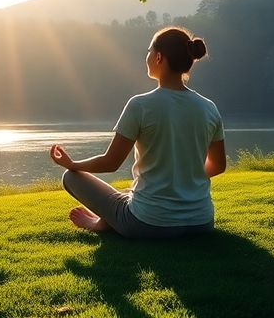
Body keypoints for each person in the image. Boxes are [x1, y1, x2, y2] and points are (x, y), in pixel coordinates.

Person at [49, 27, 226, 239]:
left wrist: (73, 165)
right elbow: (218, 165)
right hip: (202, 222)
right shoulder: (209, 107)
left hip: (147, 224)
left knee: (71, 178)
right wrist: (181, 180)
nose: (147, 56)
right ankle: (106, 220)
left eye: (149, 51)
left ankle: (100, 224)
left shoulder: (140, 105)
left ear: (159, 57)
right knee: (131, 191)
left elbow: (110, 163)